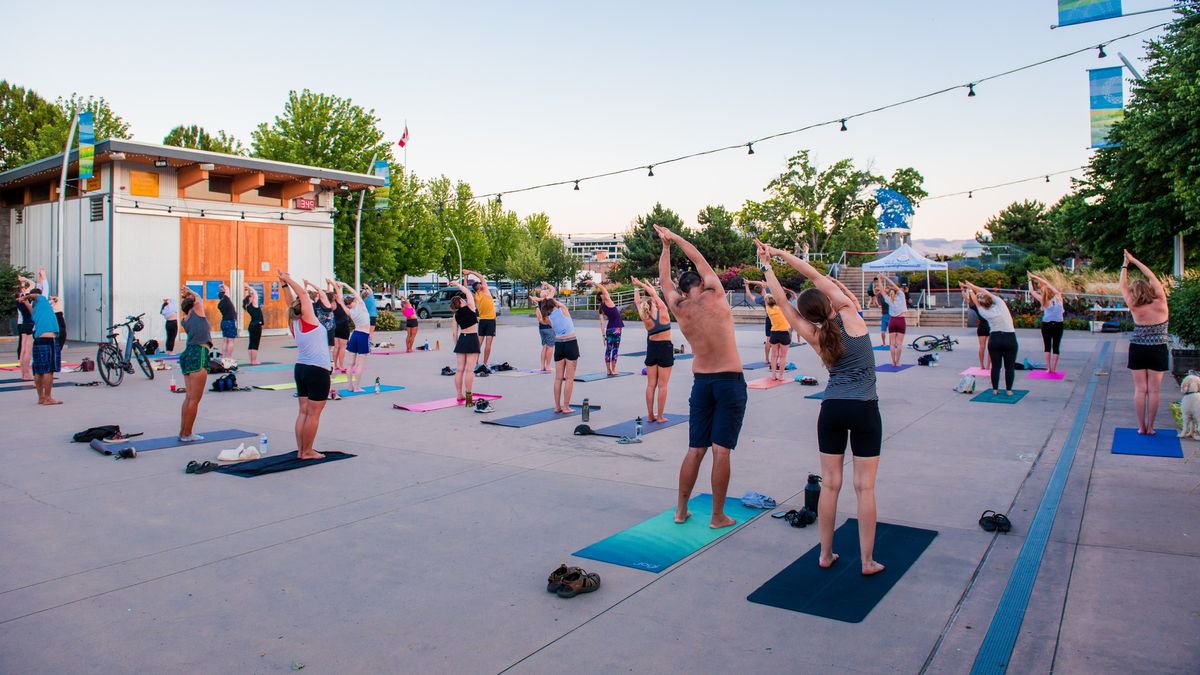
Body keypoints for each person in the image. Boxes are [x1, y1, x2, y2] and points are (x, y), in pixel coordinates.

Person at [756, 240, 884, 575]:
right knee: (865, 487)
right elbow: (813, 275)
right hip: (864, 408)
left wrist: (766, 266)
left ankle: (825, 555)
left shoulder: (813, 334)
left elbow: (782, 302)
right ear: (828, 302)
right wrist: (781, 254)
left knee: (830, 485)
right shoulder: (850, 316)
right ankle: (867, 561)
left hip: (832, 410)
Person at [653, 225, 745, 530]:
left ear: (682, 291)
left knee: (696, 449)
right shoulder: (716, 296)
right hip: (729, 381)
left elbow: (664, 279)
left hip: (702, 383)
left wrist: (664, 248)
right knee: (721, 450)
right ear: (702, 283)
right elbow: (698, 257)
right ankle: (717, 516)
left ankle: (681, 510)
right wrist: (675, 238)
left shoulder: (679, 308)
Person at [279, 271, 329, 460]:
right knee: (313, 414)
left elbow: (292, 302)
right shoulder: (309, 320)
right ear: (306, 308)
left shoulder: (294, 322)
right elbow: (302, 295)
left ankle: (302, 450)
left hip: (301, 368)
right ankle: (307, 451)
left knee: (303, 411)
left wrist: (284, 285)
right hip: (317, 370)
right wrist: (287, 279)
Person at [1120, 250, 1170, 435]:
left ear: (1134, 293)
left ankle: (1141, 427)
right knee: (1154, 391)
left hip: (1138, 349)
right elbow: (1152, 276)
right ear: (1150, 290)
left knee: (1140, 390)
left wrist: (1125, 265)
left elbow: (1122, 286)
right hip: (1158, 350)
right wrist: (1134, 261)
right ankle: (1151, 427)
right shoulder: (1161, 303)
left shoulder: (1134, 305)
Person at [962, 281, 1017, 396]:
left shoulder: (984, 312)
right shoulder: (1001, 304)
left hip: (995, 338)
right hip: (1009, 338)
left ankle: (995, 390)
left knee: (996, 366)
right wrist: (973, 286)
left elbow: (976, 303)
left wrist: (971, 291)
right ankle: (1009, 390)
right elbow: (985, 291)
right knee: (1009, 367)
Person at [632, 275, 674, 423]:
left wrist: (636, 286)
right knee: (663, 386)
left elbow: (638, 301)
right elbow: (654, 294)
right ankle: (660, 416)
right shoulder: (663, 310)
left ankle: (650, 415)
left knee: (651, 384)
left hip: (652, 348)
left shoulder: (645, 317)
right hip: (665, 348)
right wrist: (643, 285)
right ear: (655, 304)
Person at [177, 287, 210, 440]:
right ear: (194, 305)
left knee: (189, 397)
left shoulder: (185, 319)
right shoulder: (198, 311)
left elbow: (195, 300)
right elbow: (199, 298)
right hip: (199, 352)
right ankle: (187, 433)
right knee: (195, 399)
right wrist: (190, 291)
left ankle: (183, 432)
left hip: (188, 353)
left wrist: (186, 296)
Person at [541, 296, 580, 413]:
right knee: (569, 378)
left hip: (559, 345)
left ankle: (557, 407)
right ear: (554, 303)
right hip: (570, 343)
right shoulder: (563, 310)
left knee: (558, 378)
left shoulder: (548, 318)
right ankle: (566, 407)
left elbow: (542, 316)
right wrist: (550, 298)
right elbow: (559, 304)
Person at [25, 287, 61, 405]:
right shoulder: (42, 301)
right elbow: (37, 296)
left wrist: (24, 300)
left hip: (38, 340)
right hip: (49, 340)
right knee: (49, 370)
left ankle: (41, 397)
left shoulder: (35, 311)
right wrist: (26, 296)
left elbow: (30, 303)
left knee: (39, 370)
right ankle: (48, 398)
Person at [335, 281, 372, 392]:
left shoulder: (349, 311)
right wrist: (345, 285)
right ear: (354, 300)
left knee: (350, 363)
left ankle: (350, 386)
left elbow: (340, 301)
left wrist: (339, 288)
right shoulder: (361, 306)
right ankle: (356, 387)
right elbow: (355, 293)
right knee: (360, 363)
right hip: (363, 335)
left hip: (355, 335)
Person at [449, 280, 480, 403]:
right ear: (461, 301)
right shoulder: (471, 308)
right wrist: (457, 284)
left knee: (460, 369)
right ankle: (468, 397)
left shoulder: (456, 316)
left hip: (462, 339)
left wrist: (457, 344)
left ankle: (458, 394)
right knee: (469, 370)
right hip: (472, 338)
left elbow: (454, 333)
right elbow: (467, 291)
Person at [1029, 273, 1064, 374]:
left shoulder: (1043, 300)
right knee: (1056, 347)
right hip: (1058, 324)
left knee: (1047, 346)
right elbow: (1047, 283)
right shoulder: (1058, 297)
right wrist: (1035, 277)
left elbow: (1031, 291)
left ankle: (1048, 368)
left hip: (1046, 325)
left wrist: (1030, 280)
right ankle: (1054, 368)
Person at [464, 271, 497, 374]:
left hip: (482, 321)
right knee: (487, 343)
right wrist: (469, 272)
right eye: (480, 284)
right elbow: (481, 277)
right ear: (479, 287)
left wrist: (466, 276)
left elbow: (466, 289)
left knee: (479, 343)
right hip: (490, 320)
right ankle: (484, 363)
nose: (481, 284)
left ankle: (476, 362)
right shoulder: (485, 292)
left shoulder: (476, 296)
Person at [591, 280, 624, 377]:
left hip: (609, 329)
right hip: (617, 328)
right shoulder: (608, 301)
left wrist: (603, 336)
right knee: (615, 350)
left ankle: (608, 370)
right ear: (603, 296)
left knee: (608, 350)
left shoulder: (602, 308)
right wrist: (593, 282)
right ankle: (613, 370)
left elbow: (602, 323)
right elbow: (603, 288)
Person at [879, 275, 907, 367]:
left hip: (892, 321)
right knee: (899, 344)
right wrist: (886, 278)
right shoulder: (901, 296)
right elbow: (894, 286)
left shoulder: (889, 299)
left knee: (892, 344)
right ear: (897, 291)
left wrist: (879, 279)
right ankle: (897, 362)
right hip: (901, 320)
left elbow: (882, 291)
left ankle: (893, 361)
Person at [963, 286, 991, 371]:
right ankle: (988, 366)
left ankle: (982, 365)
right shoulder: (990, 306)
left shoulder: (978, 307)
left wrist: (963, 290)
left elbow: (967, 300)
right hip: (990, 327)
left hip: (982, 327)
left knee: (982, 346)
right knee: (990, 347)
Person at [531, 283, 555, 372]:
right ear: (546, 295)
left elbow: (538, 317)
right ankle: (548, 366)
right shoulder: (548, 300)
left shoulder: (539, 303)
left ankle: (542, 366)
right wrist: (547, 284)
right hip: (549, 327)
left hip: (541, 327)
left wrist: (536, 300)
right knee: (550, 346)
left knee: (544, 346)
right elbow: (552, 289)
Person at [329, 279, 351, 373]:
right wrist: (334, 284)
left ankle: (335, 365)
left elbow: (334, 293)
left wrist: (330, 284)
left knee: (336, 347)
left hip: (336, 327)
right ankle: (341, 365)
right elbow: (338, 292)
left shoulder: (331, 304)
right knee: (342, 347)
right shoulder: (339, 302)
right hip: (343, 327)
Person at [15, 275, 35, 381]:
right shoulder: (26, 299)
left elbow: (23, 289)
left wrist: (22, 282)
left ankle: (23, 373)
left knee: (23, 349)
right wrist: (25, 279)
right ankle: (26, 373)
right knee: (28, 350)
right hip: (29, 324)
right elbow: (32, 284)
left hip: (23, 324)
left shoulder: (18, 301)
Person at [242, 284, 263, 365]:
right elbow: (255, 292)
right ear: (250, 299)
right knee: (255, 343)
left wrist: (247, 290)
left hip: (251, 325)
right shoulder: (254, 304)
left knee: (251, 343)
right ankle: (254, 361)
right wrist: (250, 287)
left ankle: (251, 360)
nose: (253, 296)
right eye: (251, 296)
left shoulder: (247, 306)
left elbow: (250, 295)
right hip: (257, 325)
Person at [216, 283, 238, 359]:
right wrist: (223, 286)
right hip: (230, 322)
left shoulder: (220, 304)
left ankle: (224, 356)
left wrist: (222, 289)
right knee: (231, 341)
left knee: (225, 340)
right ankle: (228, 357)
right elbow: (227, 290)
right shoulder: (227, 300)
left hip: (224, 322)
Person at [872, 275, 891, 348]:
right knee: (890, 331)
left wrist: (876, 285)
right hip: (890, 315)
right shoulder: (889, 298)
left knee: (883, 331)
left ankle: (884, 343)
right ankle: (890, 343)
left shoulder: (881, 297)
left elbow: (876, 293)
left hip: (884, 315)